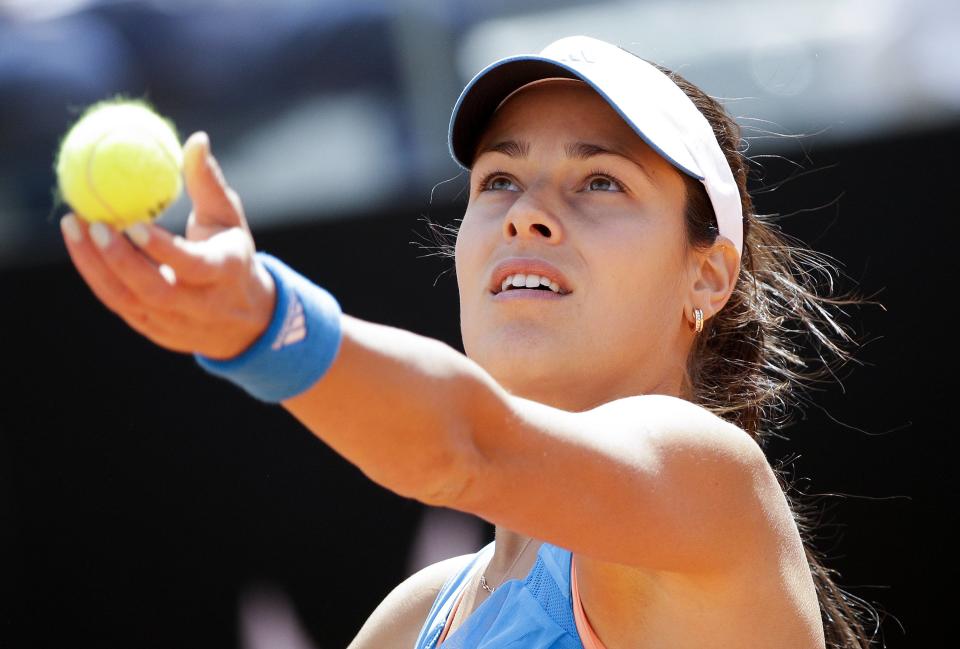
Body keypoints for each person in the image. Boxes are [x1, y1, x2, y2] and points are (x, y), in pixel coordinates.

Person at [59, 36, 874, 648]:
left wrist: (265, 325)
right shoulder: (416, 618)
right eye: (498, 181)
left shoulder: (707, 480)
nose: (527, 212)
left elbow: (468, 446)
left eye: (601, 180)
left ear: (708, 276)